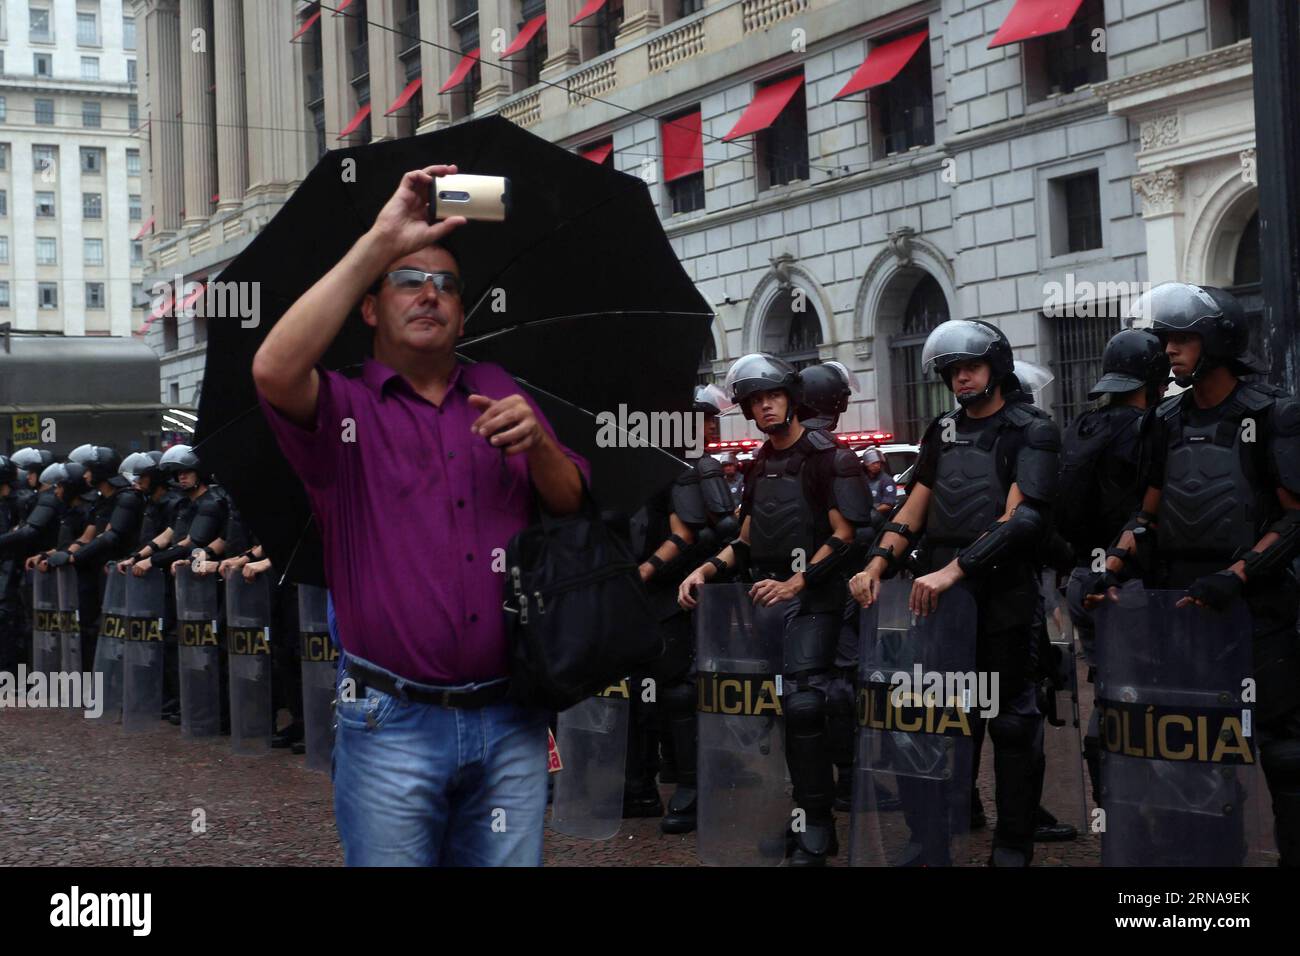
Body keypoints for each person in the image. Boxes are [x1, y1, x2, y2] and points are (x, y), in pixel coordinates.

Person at [252, 163, 588, 867]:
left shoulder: (497, 388)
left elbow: (570, 501)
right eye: (408, 280)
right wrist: (381, 241)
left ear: (464, 312)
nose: (430, 293)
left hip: (512, 721)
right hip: (390, 724)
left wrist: (540, 446)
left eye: (446, 285)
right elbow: (273, 370)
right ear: (369, 309)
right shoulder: (342, 407)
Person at [1084, 283, 1300, 865]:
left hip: (1256, 611)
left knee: (1283, 752)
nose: (1170, 350)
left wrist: (1239, 575)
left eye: (1183, 339)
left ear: (1219, 341)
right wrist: (1110, 566)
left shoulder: (1271, 412)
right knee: (1197, 756)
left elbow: (1294, 515)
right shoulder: (1166, 418)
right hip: (1180, 612)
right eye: (1167, 339)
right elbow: (1146, 514)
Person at [850, 319, 1062, 867]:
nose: (961, 379)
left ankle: (1013, 846)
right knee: (932, 718)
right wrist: (876, 564)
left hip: (1002, 595)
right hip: (937, 600)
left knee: (1011, 721)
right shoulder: (941, 430)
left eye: (970, 367)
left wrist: (956, 570)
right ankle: (930, 838)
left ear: (996, 366)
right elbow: (913, 508)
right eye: (952, 371)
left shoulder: (1030, 428)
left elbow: (1022, 519)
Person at [678, 353, 871, 865]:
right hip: (768, 601)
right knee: (784, 712)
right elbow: (745, 538)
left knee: (805, 704)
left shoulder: (829, 456)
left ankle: (820, 830)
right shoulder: (761, 461)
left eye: (772, 396)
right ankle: (804, 816)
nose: (765, 407)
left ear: (791, 397)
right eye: (755, 401)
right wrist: (704, 570)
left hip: (815, 599)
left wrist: (797, 582)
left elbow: (847, 535)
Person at [1052, 329, 1169, 806]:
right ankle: (1137, 798)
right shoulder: (1147, 427)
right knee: (1143, 689)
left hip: (1082, 577)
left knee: (1108, 683)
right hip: (1127, 582)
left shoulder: (1083, 425)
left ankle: (1113, 799)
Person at [629, 383, 738, 832]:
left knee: (678, 690)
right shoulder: (651, 464)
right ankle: (644, 784)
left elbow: (700, 530)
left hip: (681, 592)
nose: (710, 428)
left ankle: (691, 787)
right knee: (648, 690)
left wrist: (648, 570)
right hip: (650, 595)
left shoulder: (691, 466)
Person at [861, 447, 897, 516]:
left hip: (881, 519)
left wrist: (869, 513)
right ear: (866, 464)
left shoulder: (886, 480)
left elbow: (888, 505)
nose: (877, 465)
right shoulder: (863, 479)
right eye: (873, 463)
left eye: (878, 463)